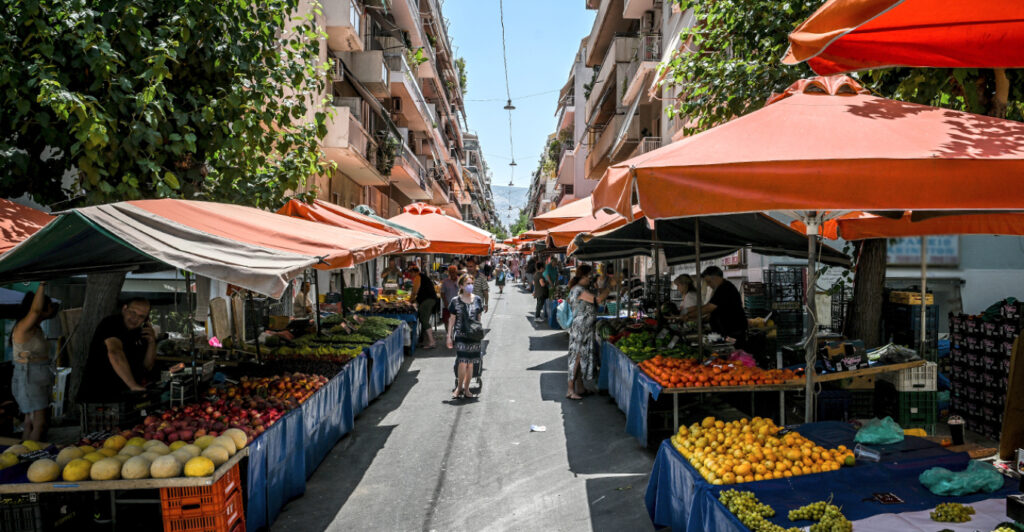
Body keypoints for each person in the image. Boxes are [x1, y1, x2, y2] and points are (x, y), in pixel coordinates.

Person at [78, 298, 158, 402]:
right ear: (124, 309)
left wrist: (152, 342)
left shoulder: (140, 333)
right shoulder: (111, 324)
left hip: (126, 397)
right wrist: (133, 385)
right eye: (133, 312)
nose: (135, 318)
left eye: (141, 316)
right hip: (100, 395)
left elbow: (147, 366)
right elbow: (115, 353)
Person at [11, 284, 59, 442]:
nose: (52, 308)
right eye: (49, 305)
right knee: (38, 422)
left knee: (32, 421)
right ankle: (31, 457)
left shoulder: (36, 328)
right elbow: (35, 311)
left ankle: (27, 453)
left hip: (38, 374)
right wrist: (42, 285)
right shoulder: (24, 327)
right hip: (29, 375)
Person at [566, 265, 609, 399]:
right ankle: (570, 390)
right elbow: (598, 300)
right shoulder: (579, 290)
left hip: (585, 329)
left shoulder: (580, 289)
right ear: (583, 276)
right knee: (576, 358)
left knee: (581, 358)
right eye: (589, 275)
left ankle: (580, 387)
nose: (591, 278)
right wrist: (610, 286)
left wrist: (598, 287)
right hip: (580, 329)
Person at [685, 266, 748, 349]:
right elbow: (715, 310)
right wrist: (702, 320)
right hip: (726, 332)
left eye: (709, 281)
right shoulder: (720, 289)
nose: (708, 285)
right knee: (728, 346)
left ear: (716, 278)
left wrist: (688, 316)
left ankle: (736, 353)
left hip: (733, 332)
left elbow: (708, 308)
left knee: (734, 347)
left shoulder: (725, 289)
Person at [446, 274, 485, 399]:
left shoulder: (478, 299)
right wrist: (449, 336)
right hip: (461, 334)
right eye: (467, 283)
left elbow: (479, 318)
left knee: (471, 363)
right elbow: (451, 319)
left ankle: (467, 389)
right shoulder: (455, 301)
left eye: (471, 283)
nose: (470, 286)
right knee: (462, 361)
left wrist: (479, 331)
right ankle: (459, 388)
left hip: (474, 336)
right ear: (461, 286)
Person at [408, 265, 439, 349]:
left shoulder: (418, 277)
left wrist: (410, 301)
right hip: (430, 300)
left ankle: (432, 341)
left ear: (414, 272)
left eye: (410, 273)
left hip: (427, 300)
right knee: (424, 319)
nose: (410, 275)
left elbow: (415, 291)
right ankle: (427, 340)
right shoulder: (423, 277)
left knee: (424, 320)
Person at [440, 265, 461, 337]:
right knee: (446, 321)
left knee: (457, 321)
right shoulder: (445, 282)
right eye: (451, 272)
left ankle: (455, 335)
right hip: (447, 304)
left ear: (456, 272)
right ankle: (449, 334)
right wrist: (445, 302)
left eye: (454, 272)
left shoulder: (460, 280)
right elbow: (442, 293)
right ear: (448, 273)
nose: (452, 274)